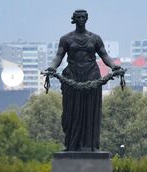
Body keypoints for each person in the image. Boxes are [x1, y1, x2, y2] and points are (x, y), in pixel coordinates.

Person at [45, 9, 123, 152]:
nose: (81, 19)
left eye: (83, 17)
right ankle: (71, 145)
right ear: (74, 19)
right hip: (72, 77)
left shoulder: (95, 38)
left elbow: (104, 55)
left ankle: (89, 146)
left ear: (86, 19)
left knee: (90, 111)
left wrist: (114, 66)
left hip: (92, 76)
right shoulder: (66, 39)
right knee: (71, 112)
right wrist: (52, 67)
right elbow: (58, 56)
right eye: (78, 17)